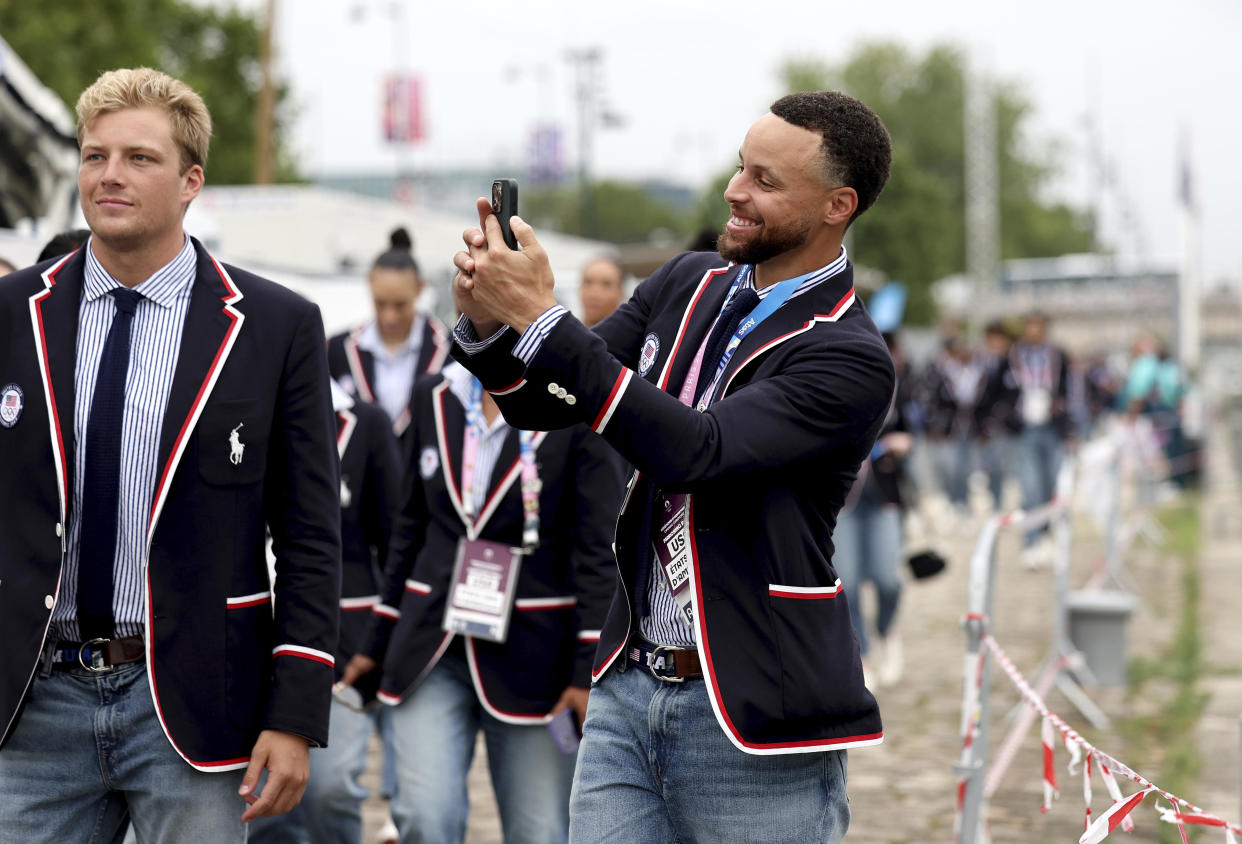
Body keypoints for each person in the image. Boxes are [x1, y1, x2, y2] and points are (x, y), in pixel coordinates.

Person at [450, 90, 894, 843]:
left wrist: (546, 321)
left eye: (764, 180)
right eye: (738, 167)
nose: (734, 191)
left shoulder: (849, 355)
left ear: (836, 205)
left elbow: (697, 450)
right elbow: (548, 403)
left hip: (754, 708)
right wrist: (493, 322)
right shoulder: (687, 282)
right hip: (629, 684)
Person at [0, 67, 341, 841]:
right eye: (95, 155)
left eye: (138, 158)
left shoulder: (274, 326)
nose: (109, 175)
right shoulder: (11, 313)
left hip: (191, 701)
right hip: (33, 699)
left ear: (191, 182)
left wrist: (296, 711)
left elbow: (312, 535)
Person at [339, 360, 625, 843]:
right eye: (464, 279)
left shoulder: (576, 395)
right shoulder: (435, 393)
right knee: (425, 820)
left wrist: (586, 673)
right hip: (432, 642)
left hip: (539, 660)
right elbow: (408, 528)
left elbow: (598, 547)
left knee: (541, 831)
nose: (472, 286)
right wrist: (378, 637)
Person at [250, 379, 403, 844]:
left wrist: (378, 633)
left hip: (337, 636)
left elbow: (394, 536)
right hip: (246, 633)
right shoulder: (232, 407)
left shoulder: (365, 422)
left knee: (330, 789)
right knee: (260, 804)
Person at [833, 332, 913, 689]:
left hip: (883, 494)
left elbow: (915, 429)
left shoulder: (900, 389)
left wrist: (903, 443)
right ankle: (860, 653)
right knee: (846, 581)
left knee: (888, 579)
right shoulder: (830, 378)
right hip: (840, 500)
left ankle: (886, 632)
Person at [328, 228, 450, 436]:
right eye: (380, 303)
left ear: (420, 288)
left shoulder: (450, 350)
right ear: (369, 284)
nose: (389, 317)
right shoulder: (338, 349)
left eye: (400, 305)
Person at [1010, 310, 1071, 565]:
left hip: (1052, 428)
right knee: (1030, 485)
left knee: (1049, 484)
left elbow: (1071, 390)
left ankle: (1046, 533)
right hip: (1025, 429)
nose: (1033, 332)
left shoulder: (1059, 356)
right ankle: (1031, 540)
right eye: (1029, 327)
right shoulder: (1013, 356)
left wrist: (1064, 415)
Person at [577, 256, 625, 328]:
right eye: (588, 282)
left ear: (620, 292)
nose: (594, 294)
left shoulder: (633, 338)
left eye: (606, 284)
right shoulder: (563, 337)